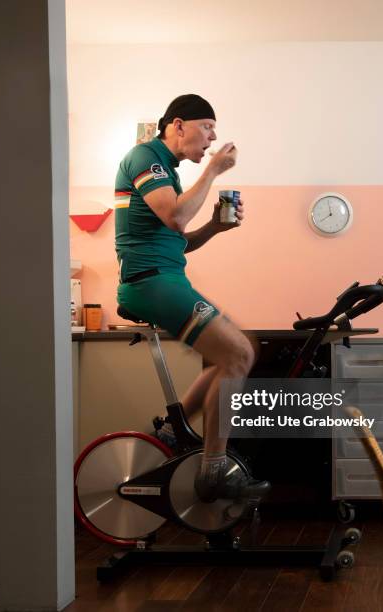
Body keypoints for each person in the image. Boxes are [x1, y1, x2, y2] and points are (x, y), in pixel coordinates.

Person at [114, 94, 270, 502]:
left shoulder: (168, 172)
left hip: (167, 275)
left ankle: (172, 430)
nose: (213, 137)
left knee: (241, 350)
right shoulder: (145, 156)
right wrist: (214, 169)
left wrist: (216, 228)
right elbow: (177, 217)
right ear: (178, 125)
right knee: (236, 355)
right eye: (207, 127)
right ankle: (213, 472)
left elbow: (178, 240)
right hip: (149, 281)